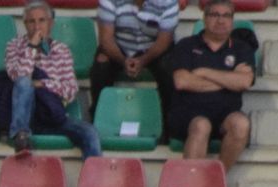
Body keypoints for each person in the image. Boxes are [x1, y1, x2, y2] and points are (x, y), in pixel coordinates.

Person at [0, 2, 102, 159]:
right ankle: (21, 136)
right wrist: (32, 47)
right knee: (24, 83)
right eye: (31, 21)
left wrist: (42, 83)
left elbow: (71, 90)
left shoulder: (61, 50)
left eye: (42, 20)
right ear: (25, 24)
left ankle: (93, 174)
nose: (37, 26)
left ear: (51, 23)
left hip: (51, 115)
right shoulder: (13, 46)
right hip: (24, 115)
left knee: (89, 132)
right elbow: (18, 76)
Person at [168, 0, 257, 171]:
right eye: (215, 14)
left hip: (225, 115)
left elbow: (244, 82)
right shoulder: (186, 45)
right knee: (201, 125)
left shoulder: (241, 48)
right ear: (204, 18)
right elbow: (182, 81)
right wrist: (228, 80)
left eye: (226, 15)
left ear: (232, 20)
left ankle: (217, 178)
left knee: (241, 124)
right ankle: (192, 184)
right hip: (188, 115)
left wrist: (204, 72)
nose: (221, 20)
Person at [91, 0, 178, 127]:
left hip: (154, 49)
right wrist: (123, 61)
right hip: (119, 46)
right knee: (101, 66)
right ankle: (98, 121)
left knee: (169, 71)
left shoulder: (168, 2)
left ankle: (168, 126)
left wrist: (143, 60)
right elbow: (106, 39)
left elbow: (164, 41)